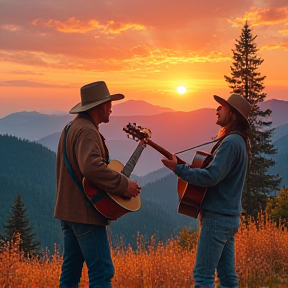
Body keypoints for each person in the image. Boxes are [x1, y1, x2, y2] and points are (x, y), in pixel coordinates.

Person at [54, 81, 141, 288]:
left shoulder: (71, 128)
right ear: (100, 106)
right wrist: (123, 185)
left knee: (70, 275)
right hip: (86, 215)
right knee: (101, 272)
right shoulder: (87, 131)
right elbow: (91, 167)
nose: (111, 108)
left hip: (69, 213)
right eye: (109, 104)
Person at [161, 93, 252, 288]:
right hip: (229, 218)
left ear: (233, 115)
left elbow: (211, 176)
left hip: (217, 219)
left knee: (203, 277)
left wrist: (178, 169)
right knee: (228, 278)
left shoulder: (230, 143)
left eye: (222, 107)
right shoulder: (239, 142)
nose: (217, 109)